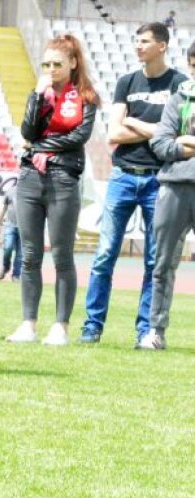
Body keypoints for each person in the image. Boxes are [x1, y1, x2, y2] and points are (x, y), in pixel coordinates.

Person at [79, 22, 186, 345]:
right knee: (104, 254)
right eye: (136, 40)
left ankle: (146, 331)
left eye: (145, 41)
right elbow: (114, 133)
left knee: (155, 260)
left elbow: (177, 134)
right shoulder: (127, 81)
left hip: (160, 178)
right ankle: (92, 326)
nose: (138, 46)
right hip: (123, 174)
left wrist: (135, 122)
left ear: (162, 46)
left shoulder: (179, 84)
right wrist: (156, 129)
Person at [5, 34, 97, 345]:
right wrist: (35, 96)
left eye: (57, 64)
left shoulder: (86, 97)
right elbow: (26, 130)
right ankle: (28, 323)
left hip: (63, 179)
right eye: (46, 64)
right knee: (29, 255)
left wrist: (39, 146)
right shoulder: (40, 94)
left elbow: (78, 137)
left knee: (62, 256)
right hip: (30, 177)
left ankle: (61, 325)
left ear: (73, 63)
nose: (51, 69)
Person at [139, 46, 195, 350]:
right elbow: (160, 143)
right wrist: (181, 146)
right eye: (193, 65)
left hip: (177, 178)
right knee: (162, 264)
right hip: (174, 185)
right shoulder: (180, 99)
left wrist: (184, 140)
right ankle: (156, 331)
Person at [0, 183, 22, 281]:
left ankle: (16, 275)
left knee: (21, 254)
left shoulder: (31, 191)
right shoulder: (11, 191)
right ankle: (5, 267)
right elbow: (3, 208)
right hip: (10, 225)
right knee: (8, 247)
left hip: (24, 227)